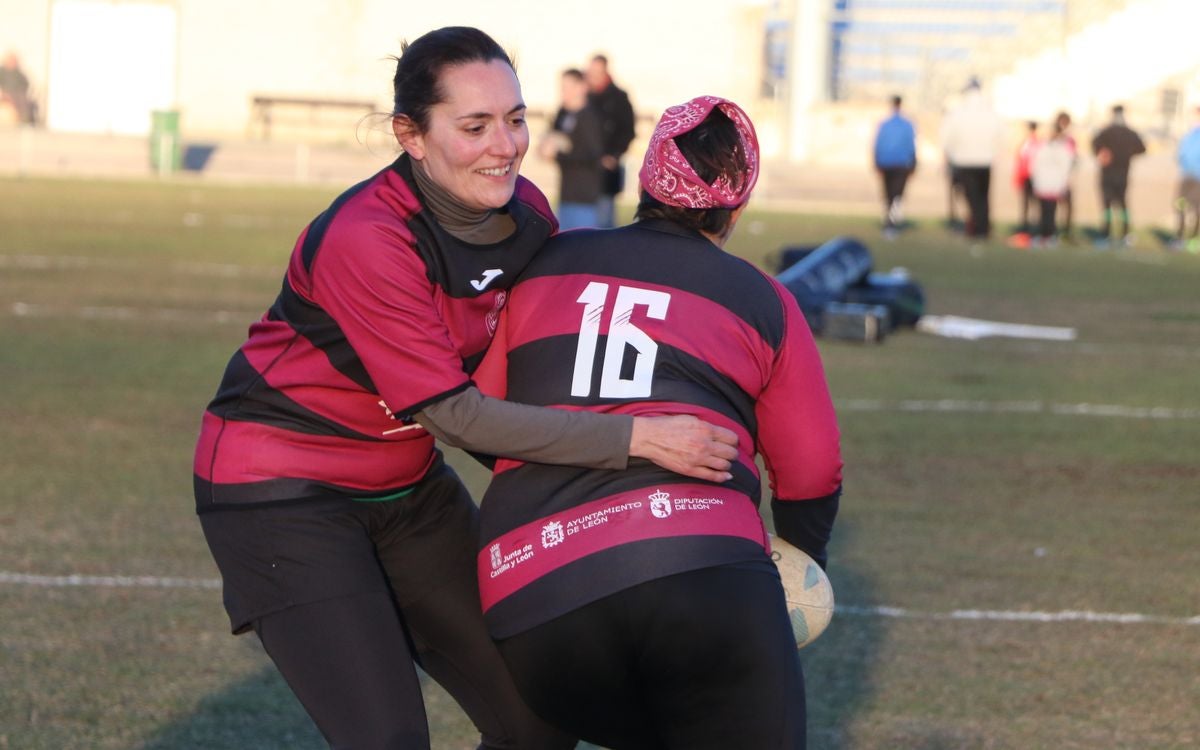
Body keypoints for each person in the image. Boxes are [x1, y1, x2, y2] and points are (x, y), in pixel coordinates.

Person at [192, 27, 737, 750]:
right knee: (386, 736)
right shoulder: (369, 235)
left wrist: (625, 506)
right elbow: (457, 414)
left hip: (407, 490)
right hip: (282, 492)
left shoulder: (530, 216)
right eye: (475, 126)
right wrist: (639, 441)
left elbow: (531, 380)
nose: (505, 145)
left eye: (515, 119)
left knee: (539, 719)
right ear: (411, 136)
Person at [473, 96, 844, 749]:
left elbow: (485, 416)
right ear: (736, 203)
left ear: (647, 178)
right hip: (698, 566)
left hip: (529, 577)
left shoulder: (546, 263)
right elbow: (812, 469)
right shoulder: (763, 297)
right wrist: (801, 557)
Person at [538, 68, 604, 230]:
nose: (563, 92)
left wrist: (557, 155)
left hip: (583, 198)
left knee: (583, 250)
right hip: (566, 194)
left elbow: (593, 156)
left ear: (582, 87)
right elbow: (552, 137)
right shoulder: (564, 114)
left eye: (568, 87)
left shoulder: (590, 117)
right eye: (562, 87)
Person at [940, 77, 1005, 240]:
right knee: (983, 196)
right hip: (985, 161)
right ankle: (983, 227)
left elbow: (946, 137)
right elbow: (1001, 135)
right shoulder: (990, 111)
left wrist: (948, 154)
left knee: (971, 196)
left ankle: (977, 227)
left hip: (963, 161)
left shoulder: (957, 112)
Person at [585, 54, 636, 227]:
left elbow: (628, 130)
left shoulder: (619, 97)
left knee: (604, 222)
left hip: (605, 172)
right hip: (582, 171)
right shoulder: (583, 95)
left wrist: (614, 155)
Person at [1091, 104, 1146, 248]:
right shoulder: (1128, 133)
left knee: (1109, 204)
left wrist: (1102, 153)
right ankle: (1124, 233)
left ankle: (1107, 233)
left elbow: (1095, 146)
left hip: (1110, 174)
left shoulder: (1106, 132)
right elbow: (1141, 148)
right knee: (1121, 204)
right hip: (1122, 173)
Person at [1029, 112, 1077, 248]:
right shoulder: (1045, 147)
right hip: (1045, 183)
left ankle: (1050, 234)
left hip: (1053, 184)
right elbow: (1036, 164)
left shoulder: (1062, 148)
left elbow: (1066, 167)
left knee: (1050, 210)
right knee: (1045, 210)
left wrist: (1064, 181)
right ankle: (1045, 234)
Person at [873, 94, 917, 238]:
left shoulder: (884, 124)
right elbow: (911, 145)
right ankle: (891, 220)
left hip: (886, 162)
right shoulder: (907, 124)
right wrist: (913, 162)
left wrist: (876, 161)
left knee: (889, 192)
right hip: (901, 163)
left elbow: (878, 144)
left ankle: (890, 220)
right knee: (897, 192)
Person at [1172, 107, 1200, 253]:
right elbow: (1180, 154)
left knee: (1196, 207)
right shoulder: (1188, 134)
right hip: (1186, 176)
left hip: (1198, 178)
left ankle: (1194, 239)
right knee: (1180, 205)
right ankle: (1180, 237)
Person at [1008, 121, 1040, 246]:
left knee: (1033, 204)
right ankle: (1025, 229)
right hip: (1026, 177)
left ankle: (1033, 230)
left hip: (1033, 176)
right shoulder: (1025, 143)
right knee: (1025, 204)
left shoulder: (1035, 143)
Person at [0, 51, 35, 126]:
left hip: (17, 95)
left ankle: (25, 119)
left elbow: (25, 85)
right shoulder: (2, 72)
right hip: (4, 95)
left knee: (25, 102)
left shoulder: (19, 73)